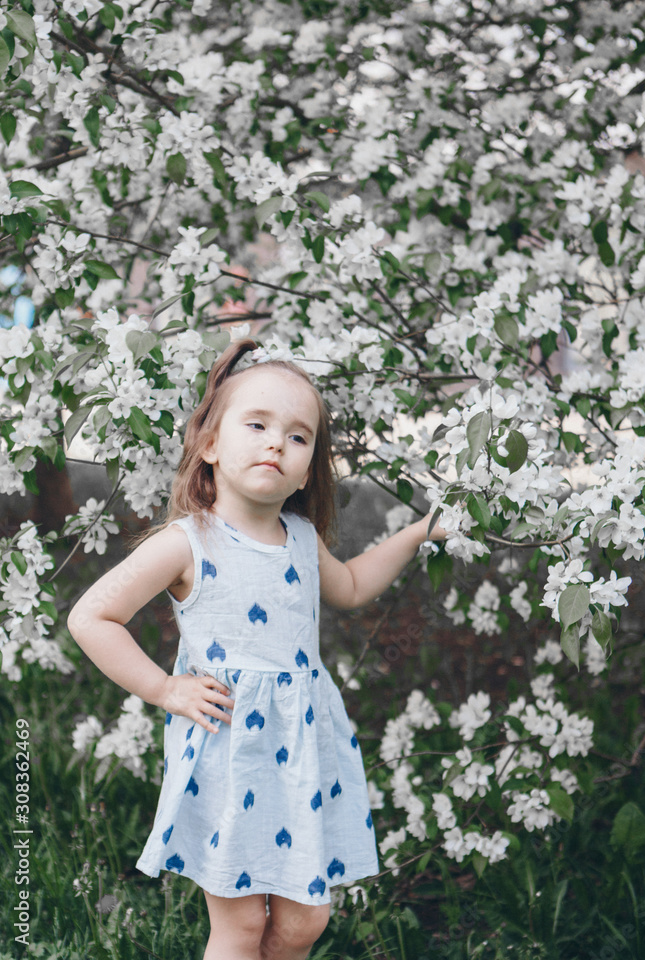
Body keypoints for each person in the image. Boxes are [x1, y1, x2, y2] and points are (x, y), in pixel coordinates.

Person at [68, 337, 446, 960]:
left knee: (305, 923)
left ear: (308, 468)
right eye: (259, 424)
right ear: (210, 445)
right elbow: (92, 616)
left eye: (299, 437)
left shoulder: (300, 537)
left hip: (303, 747)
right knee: (242, 928)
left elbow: (350, 587)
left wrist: (417, 531)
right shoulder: (188, 542)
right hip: (229, 749)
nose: (278, 442)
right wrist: (165, 689)